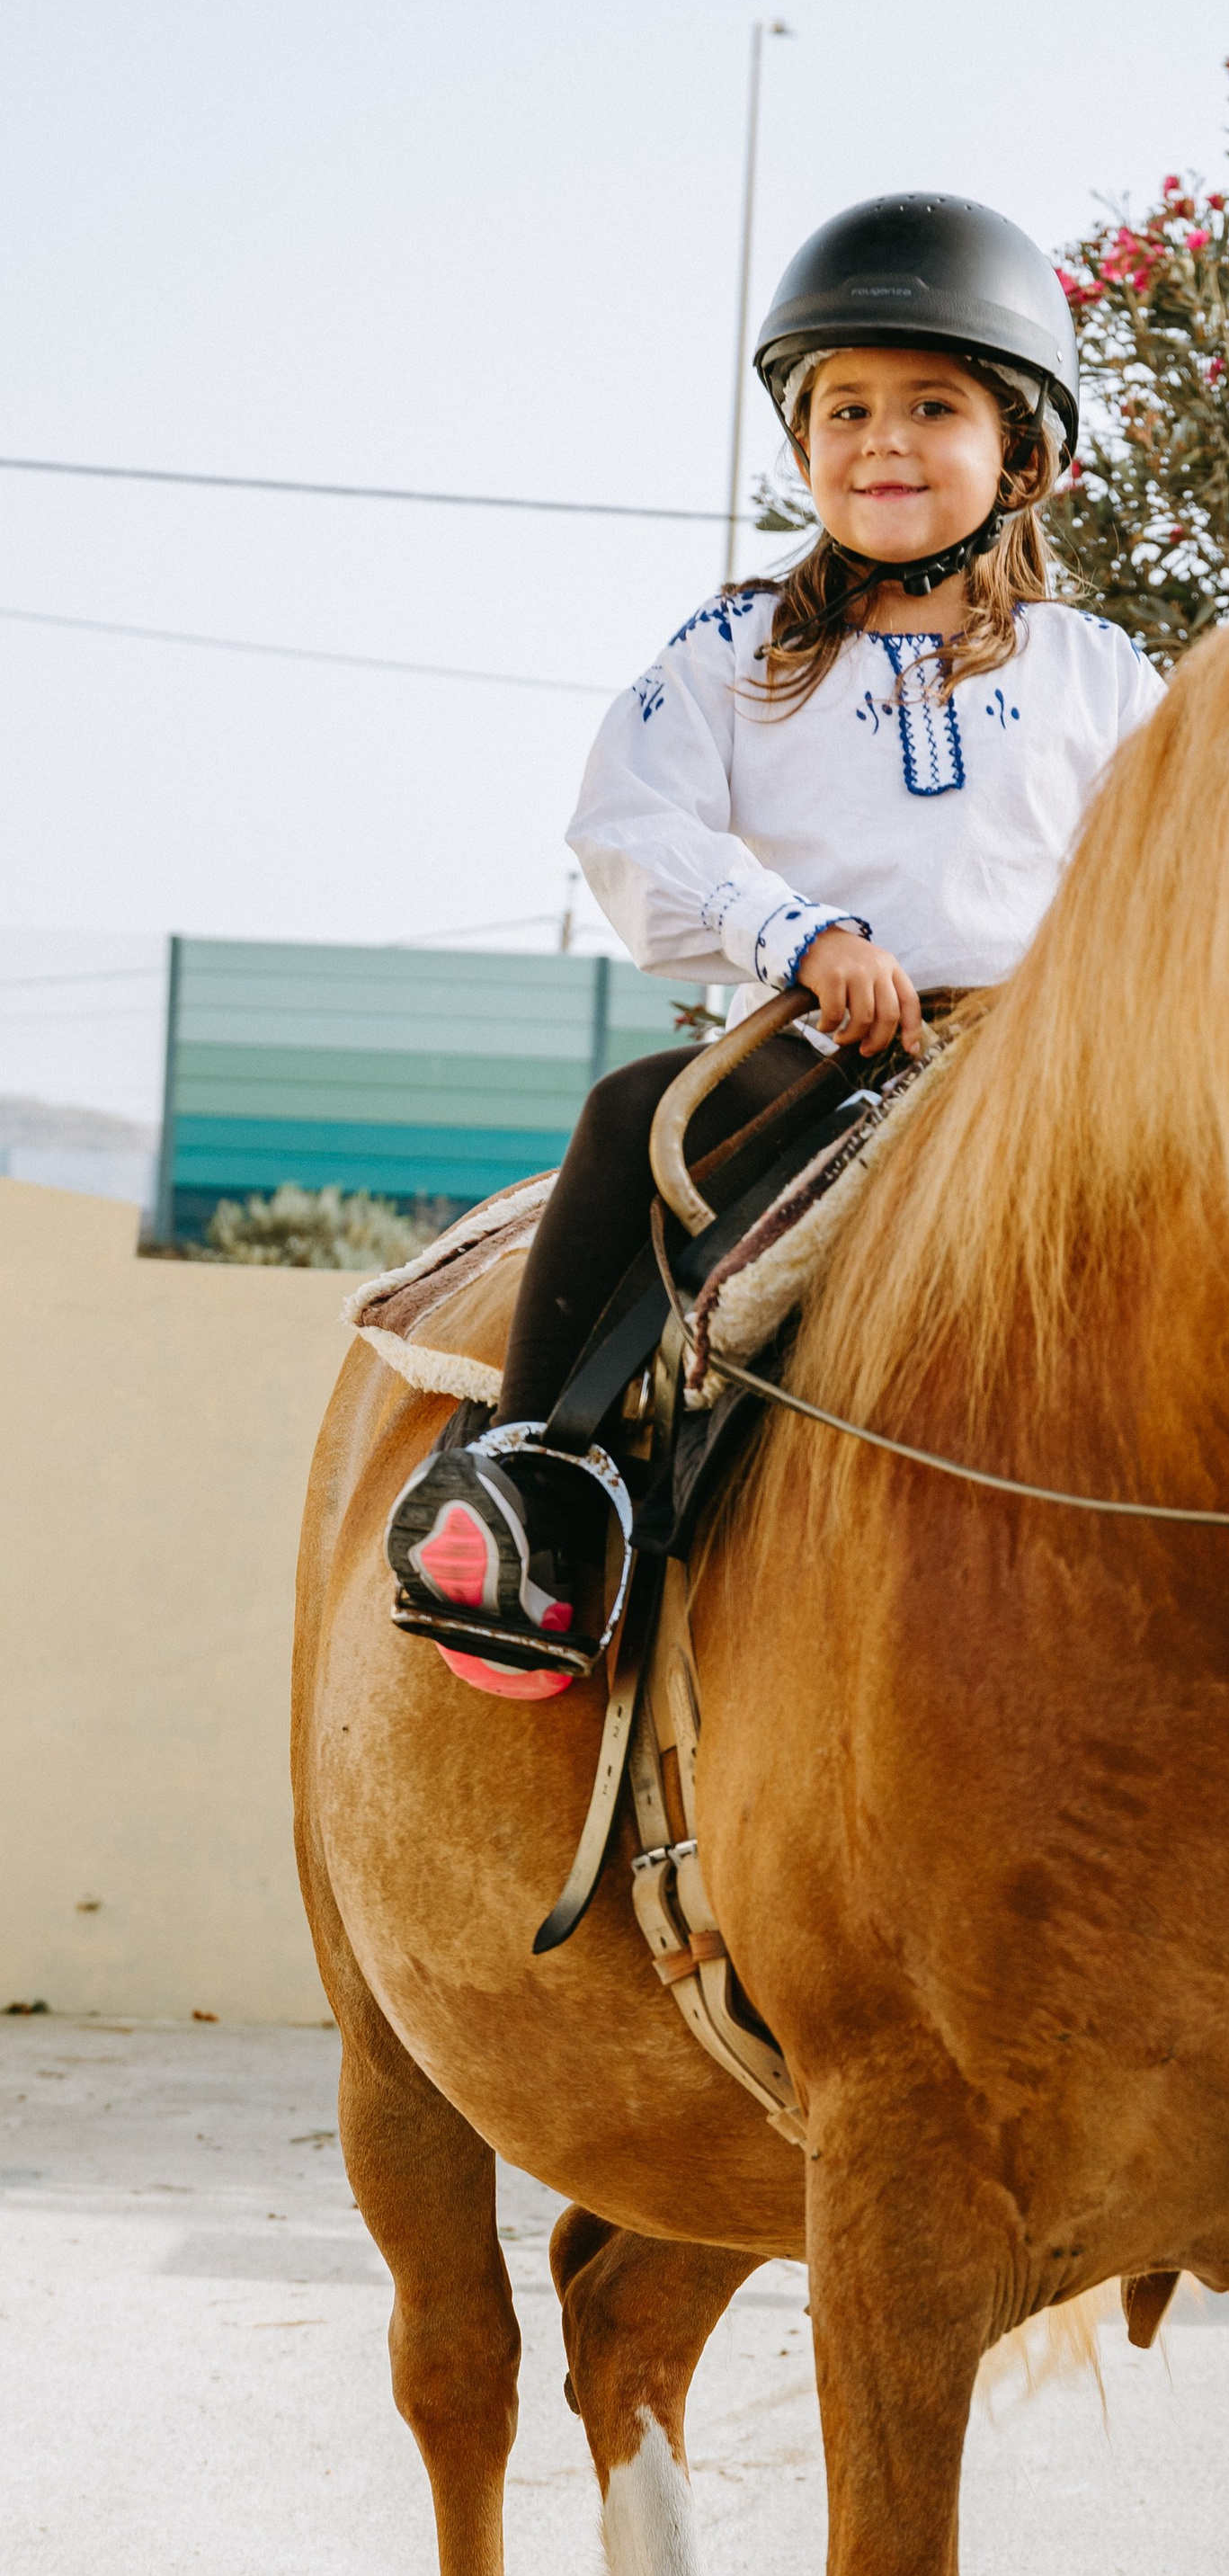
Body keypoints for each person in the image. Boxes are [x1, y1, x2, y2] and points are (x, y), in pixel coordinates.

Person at [384, 193, 1163, 1690]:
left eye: (932, 406)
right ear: (802, 446)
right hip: (818, 1067)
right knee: (629, 1116)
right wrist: (802, 937)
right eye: (844, 407)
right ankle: (534, 1478)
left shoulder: (1100, 671)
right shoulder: (731, 652)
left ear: (1025, 453)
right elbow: (631, 823)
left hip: (1048, 1088)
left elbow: (1176, 856)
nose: (882, 438)